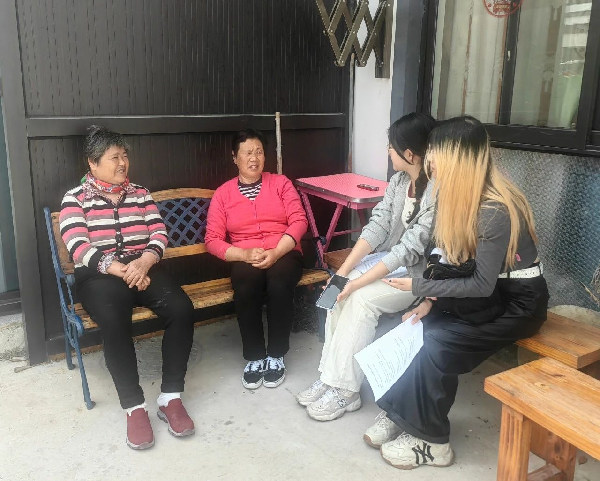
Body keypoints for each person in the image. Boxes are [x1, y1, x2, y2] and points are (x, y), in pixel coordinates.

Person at [370, 116, 549, 470]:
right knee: (415, 326)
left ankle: (432, 441)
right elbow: (450, 261)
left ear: (457, 159)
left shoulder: (494, 208)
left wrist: (420, 286)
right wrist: (427, 301)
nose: (430, 160)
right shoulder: (460, 196)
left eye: (435, 153)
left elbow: (481, 285)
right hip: (488, 294)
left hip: (518, 303)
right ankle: (400, 413)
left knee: (438, 342)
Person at [59, 126, 196, 450]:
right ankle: (134, 407)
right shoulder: (75, 198)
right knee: (113, 319)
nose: (123, 163)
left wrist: (144, 262)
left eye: (124, 156)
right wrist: (122, 270)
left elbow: (159, 233)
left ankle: (170, 397)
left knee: (182, 309)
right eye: (114, 157)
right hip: (99, 274)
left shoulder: (139, 193)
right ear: (93, 163)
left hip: (142, 266)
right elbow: (77, 245)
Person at [296, 113, 437, 422]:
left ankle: (346, 391)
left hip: (418, 277)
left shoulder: (436, 192)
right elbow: (376, 227)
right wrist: (343, 274)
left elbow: (408, 250)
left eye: (392, 146)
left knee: (359, 298)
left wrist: (356, 283)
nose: (388, 151)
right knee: (338, 290)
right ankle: (330, 377)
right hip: (391, 266)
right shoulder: (400, 182)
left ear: (410, 154)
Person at [205, 129, 308, 390]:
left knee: (279, 281)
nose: (254, 158)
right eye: (248, 153)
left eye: (259, 152)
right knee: (245, 283)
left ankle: (276, 354)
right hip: (245, 255)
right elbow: (212, 240)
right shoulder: (223, 194)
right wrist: (243, 254)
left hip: (284, 250)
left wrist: (276, 252)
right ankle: (254, 356)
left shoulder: (281, 183)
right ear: (235, 158)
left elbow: (299, 221)